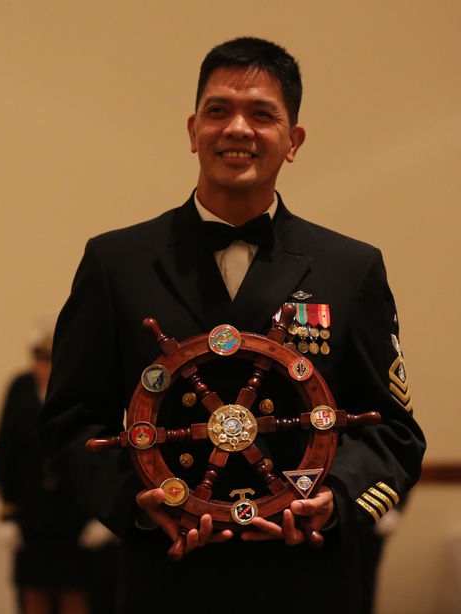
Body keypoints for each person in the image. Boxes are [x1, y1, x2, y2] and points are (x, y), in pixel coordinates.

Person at [38, 37, 425, 614]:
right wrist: (137, 505)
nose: (238, 128)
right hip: (167, 582)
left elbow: (393, 430)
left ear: (292, 141)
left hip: (308, 582)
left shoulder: (351, 268)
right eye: (219, 111)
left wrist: (338, 499)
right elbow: (70, 422)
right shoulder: (115, 262)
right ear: (193, 130)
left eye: (262, 114)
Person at [0, 327, 116, 614]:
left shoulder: (82, 387)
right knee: (33, 593)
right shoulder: (20, 389)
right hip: (32, 514)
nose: (47, 368)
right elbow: (5, 451)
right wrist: (6, 513)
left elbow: (102, 449)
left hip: (76, 512)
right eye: (41, 360)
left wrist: (104, 514)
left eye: (53, 360)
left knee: (77, 595)